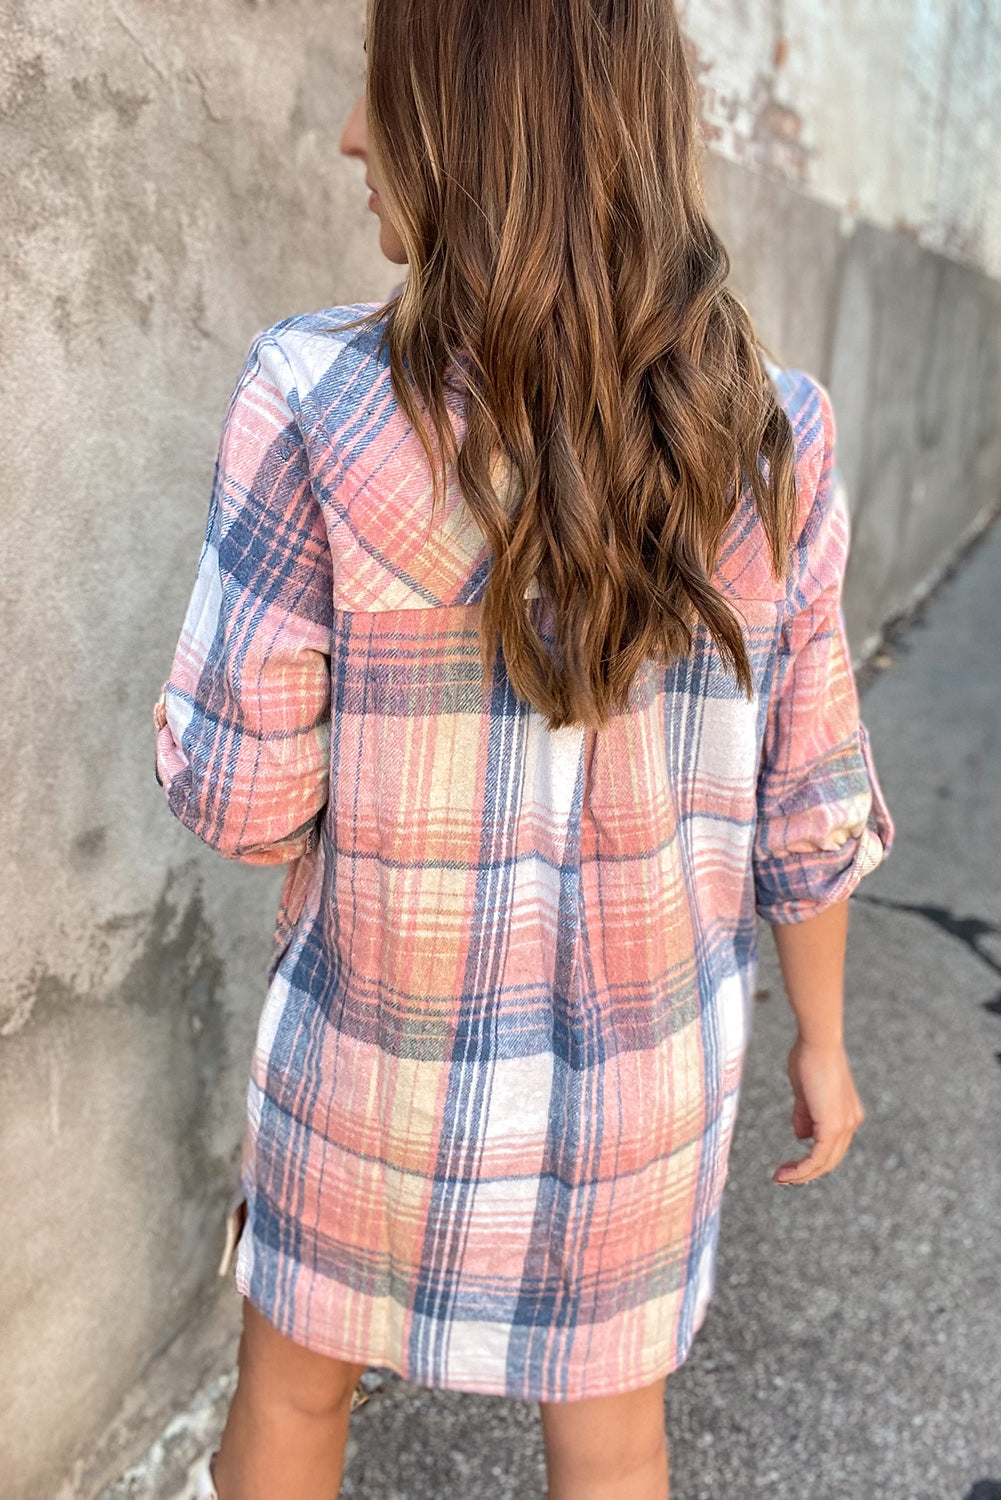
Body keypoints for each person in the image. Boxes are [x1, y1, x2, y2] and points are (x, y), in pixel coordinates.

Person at [153, 1, 894, 1496]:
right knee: (613, 1447)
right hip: (649, 1085)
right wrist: (821, 1038)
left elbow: (242, 805)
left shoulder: (308, 400)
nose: (352, 137)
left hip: (370, 1062)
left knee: (294, 1403)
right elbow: (805, 802)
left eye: (382, 98)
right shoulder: (773, 436)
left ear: (471, 129)